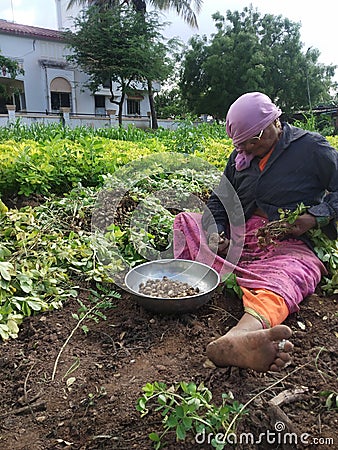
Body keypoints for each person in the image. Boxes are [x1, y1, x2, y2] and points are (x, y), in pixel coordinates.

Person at [173, 91, 338, 372]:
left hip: (286, 240)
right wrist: (218, 232)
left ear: (272, 125)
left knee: (294, 272)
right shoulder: (242, 153)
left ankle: (241, 335)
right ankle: (218, 268)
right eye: (242, 146)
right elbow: (219, 200)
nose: (246, 151)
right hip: (242, 235)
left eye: (252, 143)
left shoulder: (312, 148)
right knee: (185, 222)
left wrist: (314, 217)